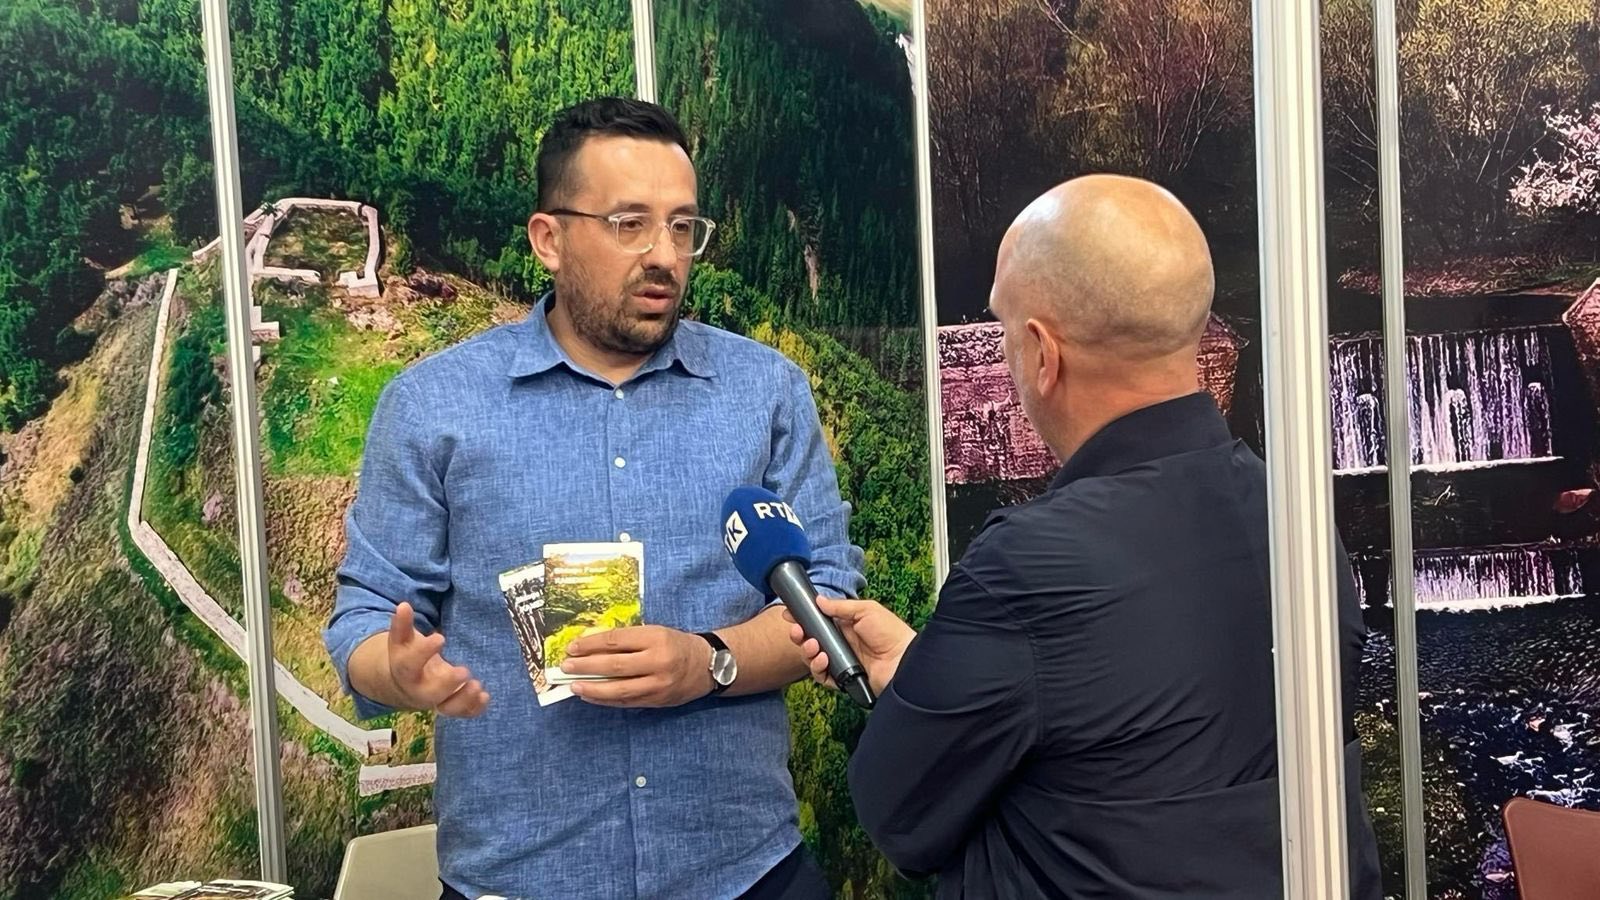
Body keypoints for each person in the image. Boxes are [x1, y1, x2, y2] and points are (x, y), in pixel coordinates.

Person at [325, 97, 862, 900]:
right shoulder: (433, 407)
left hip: (746, 873)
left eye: (683, 227)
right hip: (519, 878)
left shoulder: (767, 392)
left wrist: (708, 662)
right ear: (549, 238)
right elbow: (367, 618)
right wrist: (397, 671)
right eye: (629, 224)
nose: (664, 256)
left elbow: (830, 603)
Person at [790, 174, 1383, 898]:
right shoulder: (1295, 517)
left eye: (1004, 330)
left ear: (1043, 354)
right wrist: (928, 674)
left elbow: (899, 817)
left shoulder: (1024, 568)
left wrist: (926, 697)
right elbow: (1140, 743)